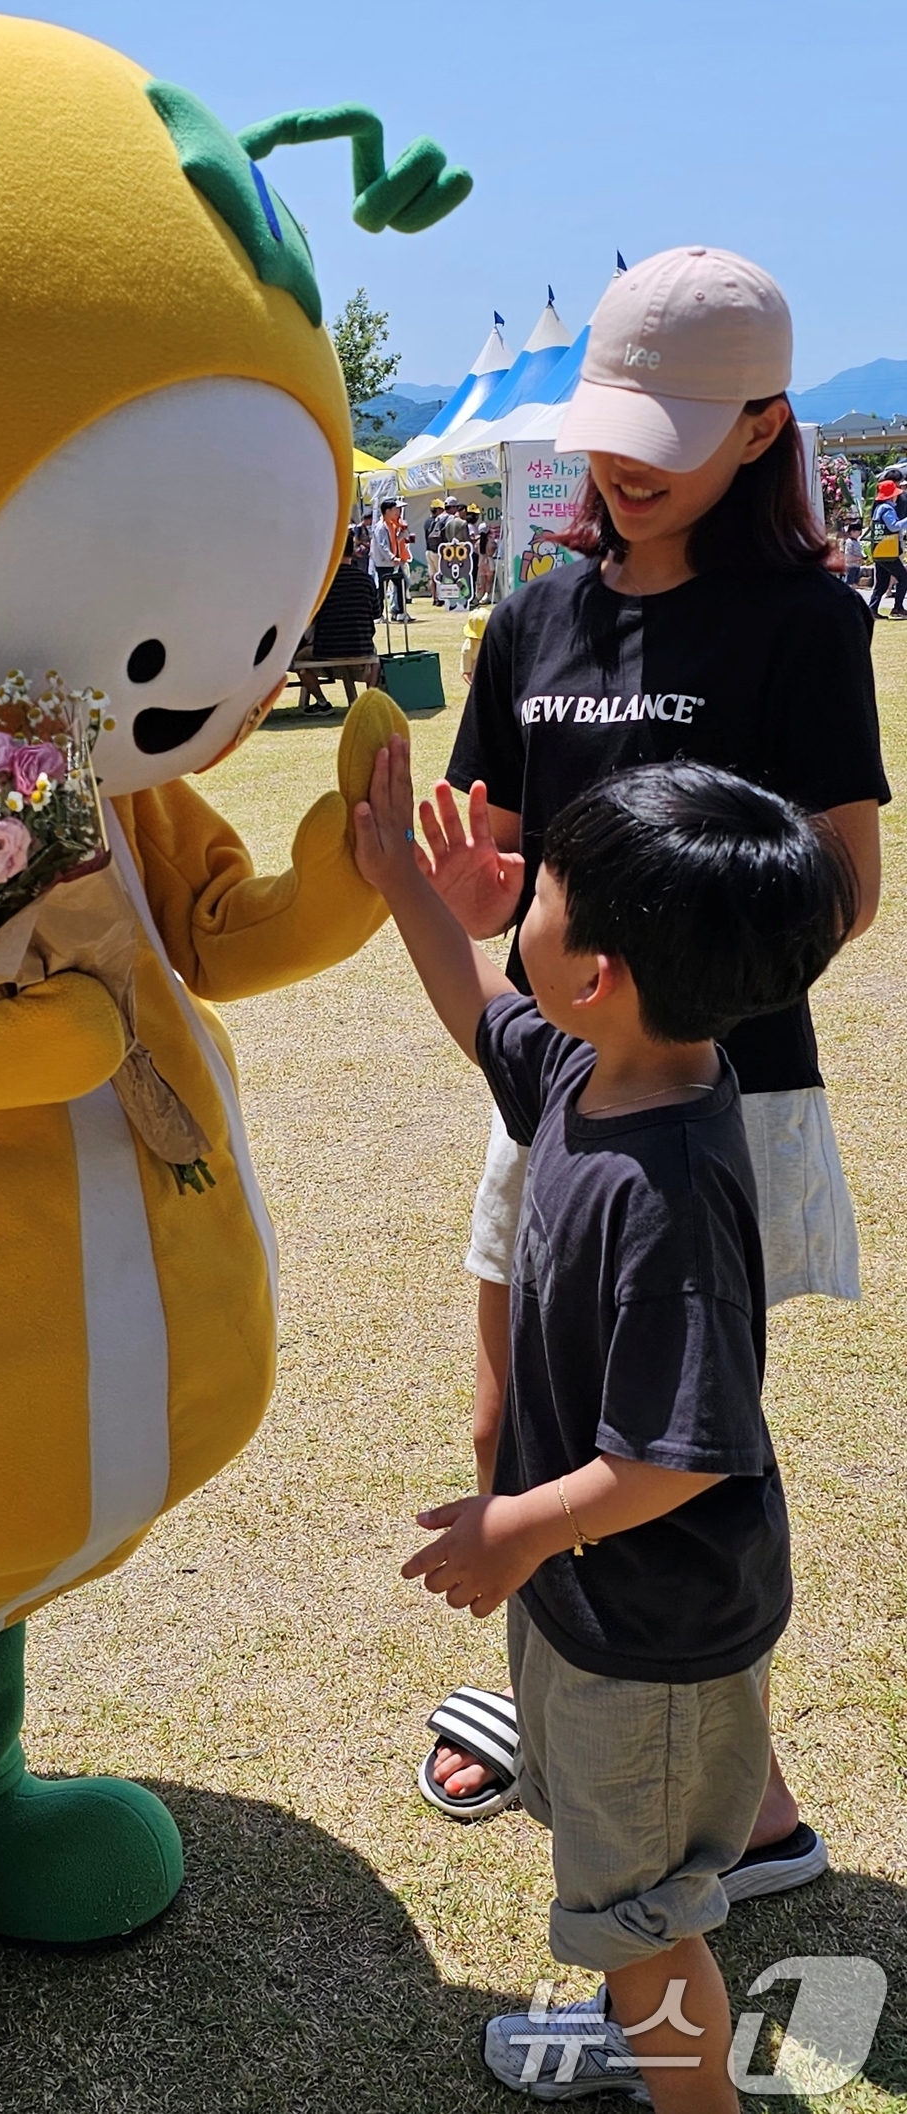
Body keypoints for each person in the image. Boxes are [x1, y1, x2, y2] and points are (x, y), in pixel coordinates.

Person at [424, 247, 889, 1887]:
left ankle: (740, 1807)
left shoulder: (805, 620)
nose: (630, 459)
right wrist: (483, 895)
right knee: (509, 1414)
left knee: (674, 1450)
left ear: (765, 431)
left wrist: (682, 978)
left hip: (715, 1094)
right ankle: (578, 1715)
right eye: (616, 419)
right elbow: (492, 842)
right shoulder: (535, 612)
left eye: (676, 430)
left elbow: (845, 874)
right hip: (556, 1076)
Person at [356, 742, 855, 2111]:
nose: (521, 897)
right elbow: (479, 1009)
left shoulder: (672, 1187)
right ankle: (651, 2026)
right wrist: (404, 881)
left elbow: (669, 1456)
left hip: (649, 1626)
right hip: (619, 1609)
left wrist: (511, 1529)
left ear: (599, 975)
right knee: (640, 1887)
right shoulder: (605, 1065)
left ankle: (684, 2078)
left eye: (546, 888)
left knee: (642, 1922)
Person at [296, 556, 380, 711]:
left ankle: (322, 702)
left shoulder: (322, 581)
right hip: (361, 646)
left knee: (298, 661)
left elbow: (310, 615)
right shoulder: (366, 579)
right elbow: (376, 613)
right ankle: (369, 699)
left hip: (326, 647)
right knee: (376, 659)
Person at [867, 479, 907, 618]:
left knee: (881, 582)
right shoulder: (887, 508)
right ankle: (898, 608)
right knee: (904, 578)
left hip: (879, 550)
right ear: (892, 496)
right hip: (888, 551)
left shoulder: (878, 508)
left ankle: (872, 609)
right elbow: (893, 526)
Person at [370, 497, 412, 620]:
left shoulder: (392, 525)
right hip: (384, 564)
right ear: (387, 511)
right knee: (382, 590)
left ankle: (399, 612)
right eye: (395, 509)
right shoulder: (381, 526)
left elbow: (394, 541)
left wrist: (403, 533)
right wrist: (392, 557)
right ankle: (378, 615)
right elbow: (382, 545)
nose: (397, 512)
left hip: (393, 563)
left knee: (401, 584)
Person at [424, 498, 447, 600]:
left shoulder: (427, 522)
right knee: (440, 575)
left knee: (432, 576)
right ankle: (441, 597)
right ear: (438, 510)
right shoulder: (439, 521)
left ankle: (434, 597)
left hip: (428, 551)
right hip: (437, 551)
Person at [842, 519, 864, 591]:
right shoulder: (849, 542)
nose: (859, 533)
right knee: (849, 583)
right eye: (858, 531)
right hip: (850, 566)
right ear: (852, 532)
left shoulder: (857, 542)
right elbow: (847, 556)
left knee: (855, 584)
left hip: (857, 566)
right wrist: (858, 558)